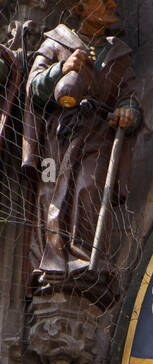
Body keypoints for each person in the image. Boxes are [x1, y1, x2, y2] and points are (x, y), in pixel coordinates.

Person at [22, 0, 140, 296]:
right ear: (81, 8)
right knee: (55, 193)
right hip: (60, 134)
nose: (111, 5)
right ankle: (54, 260)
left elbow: (129, 95)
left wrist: (128, 111)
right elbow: (33, 87)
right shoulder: (56, 40)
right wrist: (63, 67)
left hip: (99, 132)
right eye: (102, 1)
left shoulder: (119, 54)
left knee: (89, 188)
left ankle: (87, 257)